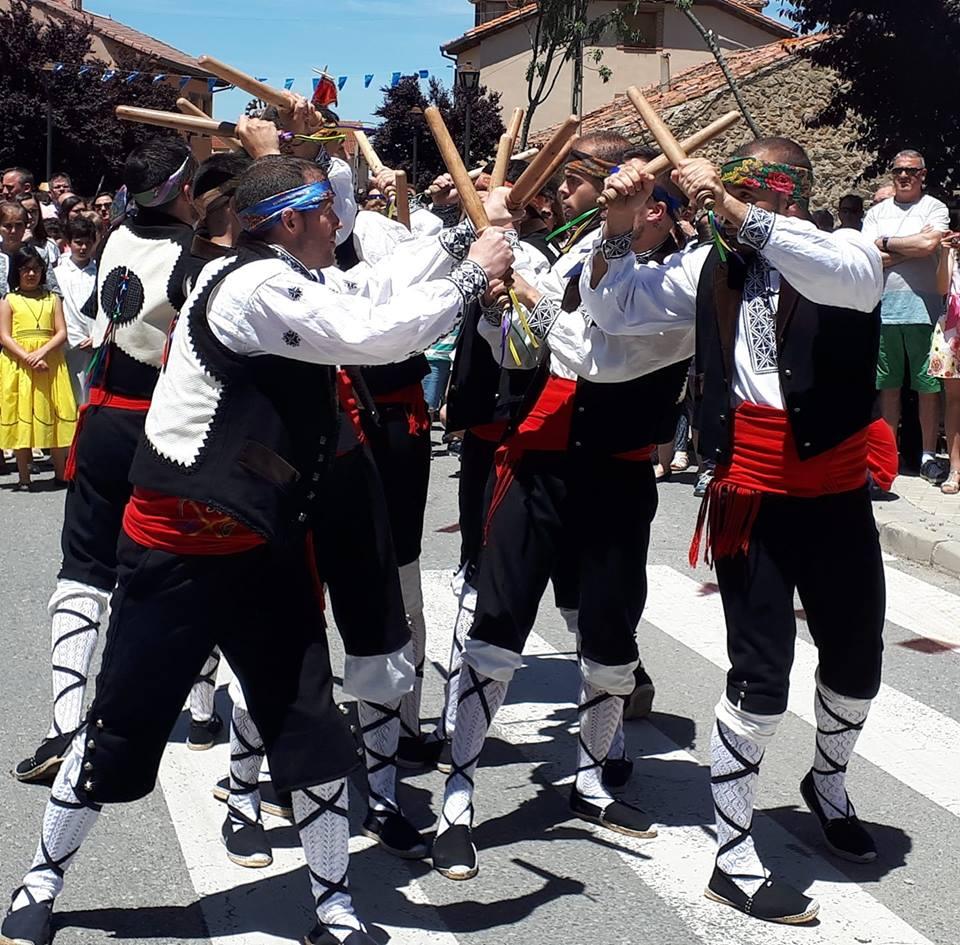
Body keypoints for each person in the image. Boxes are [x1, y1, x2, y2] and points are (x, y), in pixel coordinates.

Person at [0, 151, 514, 945]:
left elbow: (369, 288)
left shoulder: (287, 275)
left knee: (309, 729)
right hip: (176, 550)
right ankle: (42, 877)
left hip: (262, 549)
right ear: (293, 218)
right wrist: (475, 278)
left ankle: (334, 906)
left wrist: (455, 244)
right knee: (121, 724)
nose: (340, 225)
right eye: (327, 214)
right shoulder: (249, 284)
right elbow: (374, 331)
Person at [582, 137, 885, 924]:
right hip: (751, 489)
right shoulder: (709, 265)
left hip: (836, 490)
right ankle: (732, 854)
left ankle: (826, 781)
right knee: (759, 675)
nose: (743, 203)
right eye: (736, 190)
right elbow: (612, 311)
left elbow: (842, 277)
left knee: (856, 663)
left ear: (793, 193)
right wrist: (616, 226)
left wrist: (734, 206)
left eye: (758, 191)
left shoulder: (844, 248)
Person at [430, 137, 689, 882]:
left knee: (610, 641)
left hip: (615, 473)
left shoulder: (680, 282)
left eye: (627, 201)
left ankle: (589, 775)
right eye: (606, 197)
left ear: (658, 212)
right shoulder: (582, 258)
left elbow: (599, 351)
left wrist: (536, 299)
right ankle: (458, 793)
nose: (610, 209)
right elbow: (521, 351)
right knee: (496, 629)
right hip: (537, 461)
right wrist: (497, 301)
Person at [11, 137, 209, 786]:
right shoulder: (194, 260)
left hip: (102, 420)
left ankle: (63, 721)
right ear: (184, 190)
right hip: (164, 427)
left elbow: (102, 314)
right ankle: (201, 709)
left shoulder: (117, 235)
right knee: (183, 567)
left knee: (84, 567)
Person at [862, 149, 950, 480]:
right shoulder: (877, 211)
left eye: (911, 171)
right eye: (898, 170)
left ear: (922, 175)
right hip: (884, 309)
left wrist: (887, 243)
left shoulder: (934, 207)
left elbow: (930, 245)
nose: (903, 176)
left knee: (927, 387)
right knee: (888, 387)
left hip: (924, 310)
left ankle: (927, 455)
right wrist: (908, 250)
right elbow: (868, 255)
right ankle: (888, 456)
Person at [0, 246, 77, 489]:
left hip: (50, 363)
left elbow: (62, 332)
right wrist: (28, 357)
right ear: (17, 272)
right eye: (25, 269)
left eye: (35, 269)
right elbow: (4, 336)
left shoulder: (52, 299)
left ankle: (60, 473)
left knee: (53, 415)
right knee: (23, 416)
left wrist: (41, 353)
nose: (31, 274)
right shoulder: (9, 299)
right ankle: (24, 477)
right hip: (19, 365)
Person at [51, 216, 98, 406]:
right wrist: (75, 339)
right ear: (69, 242)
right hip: (69, 345)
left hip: (95, 343)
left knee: (92, 396)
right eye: (78, 243)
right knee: (71, 397)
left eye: (88, 243)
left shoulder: (100, 271)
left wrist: (97, 336)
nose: (83, 248)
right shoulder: (58, 274)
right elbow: (59, 310)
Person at [928, 232, 960, 494]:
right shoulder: (954, 253)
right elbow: (941, 288)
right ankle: (955, 468)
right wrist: (946, 252)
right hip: (954, 331)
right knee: (953, 402)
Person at [19, 194, 60, 268]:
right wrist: (21, 245)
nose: (29, 216)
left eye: (33, 211)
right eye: (24, 212)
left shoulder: (50, 245)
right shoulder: (3, 243)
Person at [0, 199, 29, 295]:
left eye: (19, 225)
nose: (13, 231)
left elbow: (53, 290)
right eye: (8, 226)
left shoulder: (39, 254)